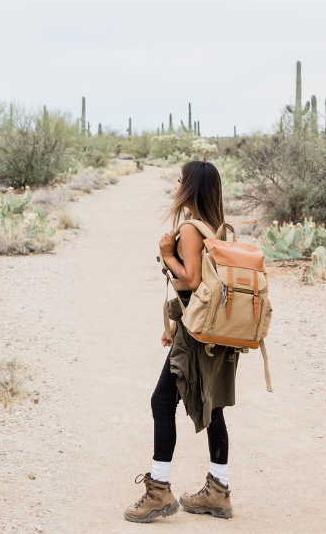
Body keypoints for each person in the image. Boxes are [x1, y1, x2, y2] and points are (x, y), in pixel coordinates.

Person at [124, 160, 236, 522]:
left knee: (161, 400)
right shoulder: (214, 225)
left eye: (180, 179)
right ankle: (218, 491)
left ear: (191, 187)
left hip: (196, 333)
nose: (175, 183)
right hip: (212, 329)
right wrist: (174, 325)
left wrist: (168, 254)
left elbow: (188, 280)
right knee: (212, 403)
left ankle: (159, 490)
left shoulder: (189, 228)